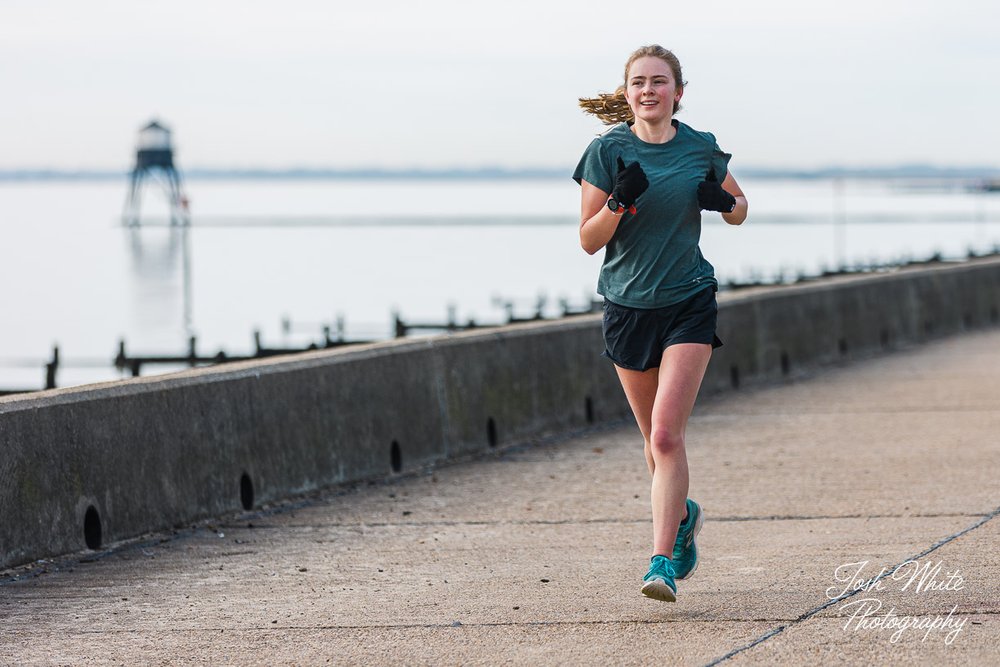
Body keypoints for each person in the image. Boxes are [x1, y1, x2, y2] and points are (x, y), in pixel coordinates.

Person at [573, 44, 747, 602]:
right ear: (627, 93)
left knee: (669, 433)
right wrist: (619, 203)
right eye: (639, 82)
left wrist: (718, 198)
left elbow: (740, 208)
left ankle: (661, 563)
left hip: (688, 300)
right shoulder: (608, 151)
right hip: (627, 307)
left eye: (660, 81)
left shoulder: (700, 146)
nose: (649, 90)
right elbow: (587, 239)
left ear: (678, 91)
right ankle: (685, 516)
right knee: (653, 444)